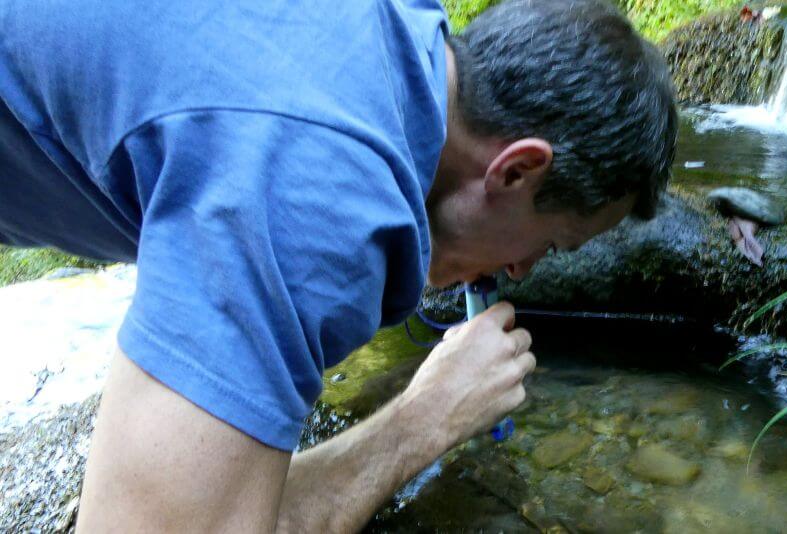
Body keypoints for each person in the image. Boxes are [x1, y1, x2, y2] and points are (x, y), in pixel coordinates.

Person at [0, 0, 676, 530]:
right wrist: (425, 419)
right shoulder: (318, 193)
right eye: (550, 244)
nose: (524, 271)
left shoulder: (397, 31)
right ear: (518, 169)